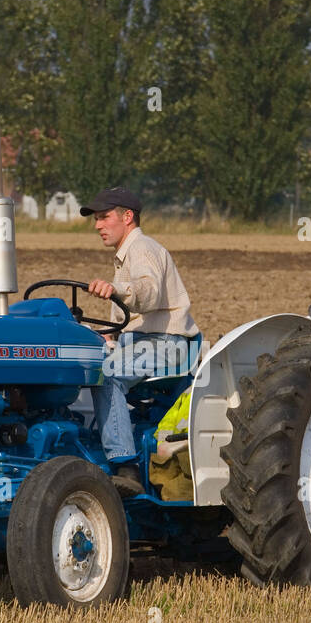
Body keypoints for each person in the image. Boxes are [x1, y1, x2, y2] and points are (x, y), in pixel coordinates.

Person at [81, 186, 200, 497]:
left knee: (107, 375)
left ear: (127, 216)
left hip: (168, 344)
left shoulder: (142, 248)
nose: (98, 226)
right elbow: (126, 319)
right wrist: (106, 335)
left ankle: (126, 467)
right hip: (142, 343)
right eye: (96, 219)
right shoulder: (125, 256)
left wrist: (117, 290)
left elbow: (147, 295)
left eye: (104, 217)